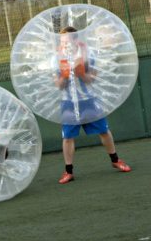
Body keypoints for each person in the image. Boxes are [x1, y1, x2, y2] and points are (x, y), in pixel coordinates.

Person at [55, 26, 131, 184]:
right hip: (68, 103)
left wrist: (82, 73)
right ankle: (68, 172)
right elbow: (58, 85)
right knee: (68, 137)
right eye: (62, 41)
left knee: (104, 131)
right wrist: (64, 76)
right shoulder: (55, 59)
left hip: (89, 100)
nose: (64, 44)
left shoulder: (88, 55)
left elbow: (92, 79)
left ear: (76, 39)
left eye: (67, 40)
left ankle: (115, 160)